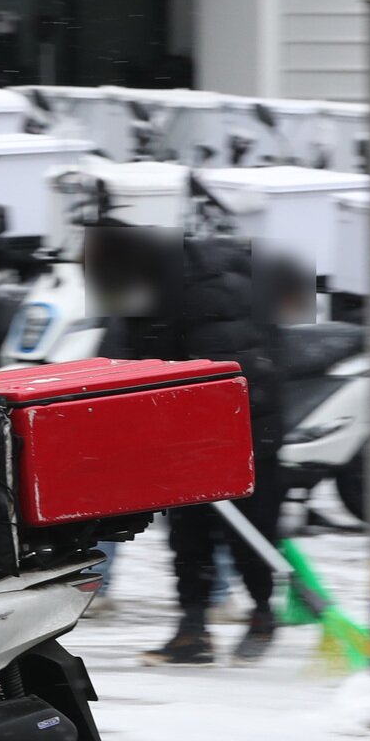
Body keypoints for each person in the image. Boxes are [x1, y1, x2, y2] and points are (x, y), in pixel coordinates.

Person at [87, 227, 285, 666]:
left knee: (237, 529)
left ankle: (255, 617)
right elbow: (121, 356)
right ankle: (198, 628)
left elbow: (226, 371)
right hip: (208, 428)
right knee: (201, 528)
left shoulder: (198, 295)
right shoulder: (163, 284)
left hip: (239, 425)